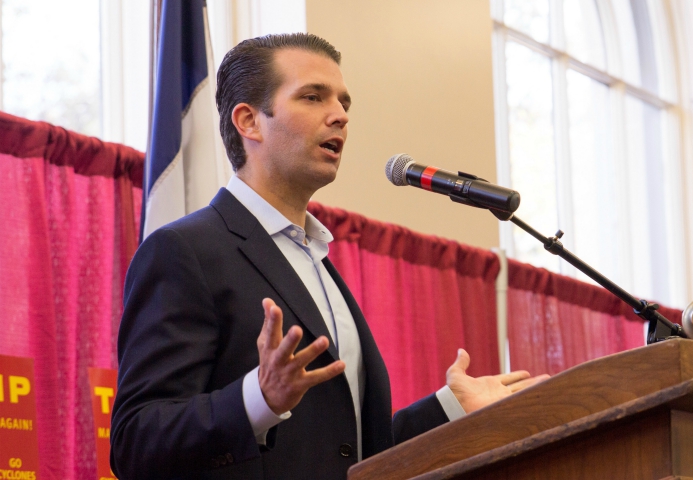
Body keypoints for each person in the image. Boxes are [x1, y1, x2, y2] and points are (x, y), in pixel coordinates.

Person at [110, 33, 547, 480]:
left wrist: (451, 408)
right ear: (249, 121)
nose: (339, 116)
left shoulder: (316, 261)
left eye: (343, 103)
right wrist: (257, 400)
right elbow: (136, 441)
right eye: (313, 97)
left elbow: (347, 451)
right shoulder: (186, 251)